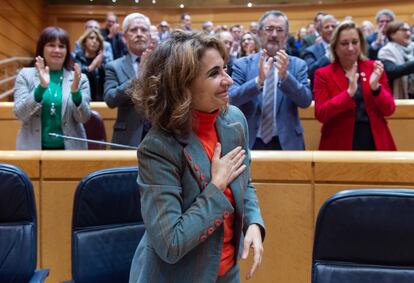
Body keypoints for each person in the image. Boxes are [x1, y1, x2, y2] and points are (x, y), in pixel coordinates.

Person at [128, 30, 265, 283]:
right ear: (182, 87)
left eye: (225, 69)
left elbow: (244, 183)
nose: (229, 81)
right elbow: (171, 244)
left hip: (228, 274)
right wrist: (216, 186)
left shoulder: (234, 121)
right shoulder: (158, 148)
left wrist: (254, 223)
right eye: (214, 73)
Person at [229, 10, 313, 150]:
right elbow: (231, 99)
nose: (274, 34)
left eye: (280, 30)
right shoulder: (242, 64)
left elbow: (305, 101)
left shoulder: (298, 65)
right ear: (260, 33)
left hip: (287, 142)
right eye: (269, 29)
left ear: (286, 36)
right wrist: (257, 82)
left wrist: (286, 78)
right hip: (250, 141)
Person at [313, 21, 396, 150]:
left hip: (375, 140)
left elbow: (389, 109)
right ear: (335, 47)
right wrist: (348, 94)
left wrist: (376, 89)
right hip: (338, 143)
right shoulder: (323, 74)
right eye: (344, 43)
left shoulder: (374, 68)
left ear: (361, 44)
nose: (351, 48)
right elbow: (321, 114)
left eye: (355, 42)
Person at [13, 26, 91, 150]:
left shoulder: (80, 78)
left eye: (61, 46)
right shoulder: (25, 75)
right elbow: (20, 114)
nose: (57, 50)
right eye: (51, 45)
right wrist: (41, 89)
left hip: (70, 152)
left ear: (67, 51)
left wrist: (76, 93)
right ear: (42, 48)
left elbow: (84, 118)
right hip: (32, 151)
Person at [104, 13, 152, 149]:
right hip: (127, 138)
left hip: (159, 138)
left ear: (149, 36)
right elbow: (110, 99)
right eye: (133, 30)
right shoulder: (114, 66)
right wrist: (138, 77)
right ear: (124, 37)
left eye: (143, 30)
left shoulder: (163, 64)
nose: (139, 34)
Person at [378, 21, 414, 99]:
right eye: (404, 30)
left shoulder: (413, 47)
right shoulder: (386, 51)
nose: (408, 33)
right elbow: (392, 71)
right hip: (399, 98)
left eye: (409, 30)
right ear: (392, 34)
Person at [302, 14, 337, 87]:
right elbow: (309, 73)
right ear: (320, 31)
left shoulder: (346, 48)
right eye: (327, 27)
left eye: (333, 26)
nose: (331, 29)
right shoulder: (310, 51)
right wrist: (327, 56)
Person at [73, 28, 106, 101]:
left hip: (99, 101)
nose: (94, 41)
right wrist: (91, 67)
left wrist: (102, 67)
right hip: (81, 99)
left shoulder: (103, 59)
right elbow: (77, 76)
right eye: (91, 38)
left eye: (97, 39)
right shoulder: (77, 57)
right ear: (84, 41)